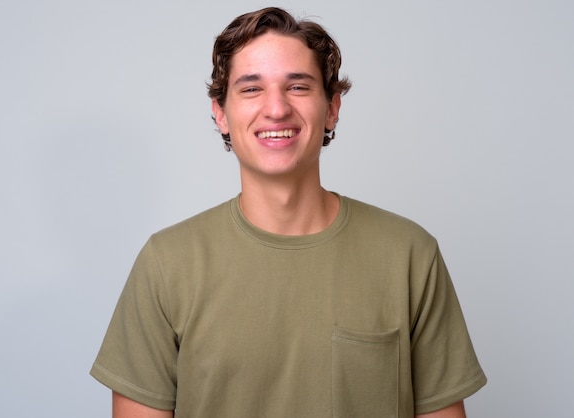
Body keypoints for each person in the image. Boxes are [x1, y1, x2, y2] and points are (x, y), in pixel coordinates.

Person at [90, 7, 487, 418]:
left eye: (297, 87)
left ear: (332, 107)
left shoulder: (409, 255)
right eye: (251, 89)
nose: (276, 109)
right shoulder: (167, 264)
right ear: (221, 113)